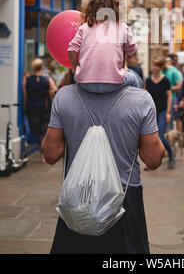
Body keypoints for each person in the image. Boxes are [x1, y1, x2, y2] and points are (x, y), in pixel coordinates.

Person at [41, 82, 165, 254]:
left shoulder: (65, 96)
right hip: (124, 196)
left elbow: (50, 154)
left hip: (78, 197)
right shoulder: (140, 99)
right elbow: (153, 160)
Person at [68, 0, 138, 93]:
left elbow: (72, 49)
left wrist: (75, 69)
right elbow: (132, 49)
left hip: (84, 82)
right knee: (134, 79)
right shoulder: (122, 27)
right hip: (113, 83)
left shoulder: (85, 27)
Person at [22, 58, 57, 162]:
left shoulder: (26, 80)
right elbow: (54, 90)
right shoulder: (47, 79)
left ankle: (43, 151)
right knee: (43, 131)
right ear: (42, 67)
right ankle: (43, 153)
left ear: (33, 68)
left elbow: (25, 96)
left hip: (31, 108)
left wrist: (25, 105)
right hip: (44, 108)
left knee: (35, 131)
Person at [145, 57, 175, 169]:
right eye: (153, 65)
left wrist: (168, 112)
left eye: (157, 66)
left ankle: (171, 154)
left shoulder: (165, 80)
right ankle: (151, 161)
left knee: (161, 137)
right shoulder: (148, 80)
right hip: (151, 112)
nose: (154, 68)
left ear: (161, 67)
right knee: (149, 138)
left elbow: (170, 96)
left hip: (162, 111)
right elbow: (145, 95)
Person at [161, 57, 183, 132]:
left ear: (165, 63)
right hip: (162, 100)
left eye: (161, 66)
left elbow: (179, 86)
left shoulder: (174, 71)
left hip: (173, 99)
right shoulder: (160, 70)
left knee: (170, 121)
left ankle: (171, 140)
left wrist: (167, 88)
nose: (160, 68)